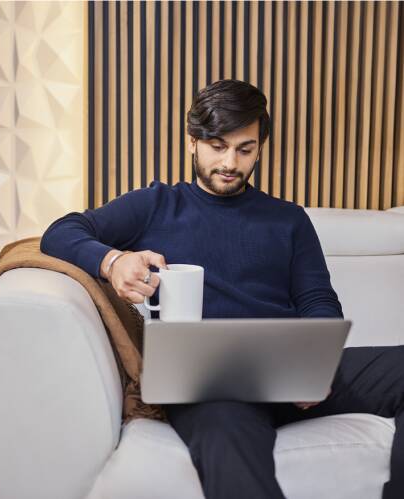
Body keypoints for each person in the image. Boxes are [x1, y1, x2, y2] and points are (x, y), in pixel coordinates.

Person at [40, 79, 403, 499]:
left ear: (260, 148)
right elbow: (60, 232)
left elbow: (317, 299)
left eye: (245, 149)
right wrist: (113, 260)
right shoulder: (156, 204)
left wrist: (314, 366)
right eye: (217, 146)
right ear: (192, 142)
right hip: (208, 382)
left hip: (288, 369)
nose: (230, 162)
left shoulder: (288, 220)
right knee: (227, 433)